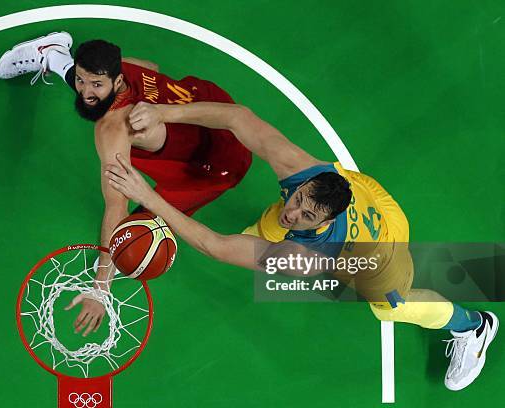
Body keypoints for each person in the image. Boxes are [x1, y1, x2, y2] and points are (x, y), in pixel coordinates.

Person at [103, 100, 498, 391]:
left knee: (391, 307)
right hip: (368, 195)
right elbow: (237, 117)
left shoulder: (305, 259)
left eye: (306, 216)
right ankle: (262, 233)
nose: (293, 213)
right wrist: (162, 114)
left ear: (324, 222)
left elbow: (216, 246)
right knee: (274, 222)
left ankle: (473, 326)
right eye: (297, 201)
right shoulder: (303, 173)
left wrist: (149, 199)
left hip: (376, 256)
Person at [0, 33, 251, 336]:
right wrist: (94, 85)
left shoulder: (113, 129)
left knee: (146, 226)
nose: (84, 91)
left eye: (96, 84)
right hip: (205, 98)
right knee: (93, 101)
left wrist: (101, 288)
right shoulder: (127, 70)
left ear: (118, 82)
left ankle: (53, 54)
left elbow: (118, 205)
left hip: (213, 160)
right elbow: (151, 67)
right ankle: (52, 54)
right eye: (78, 79)